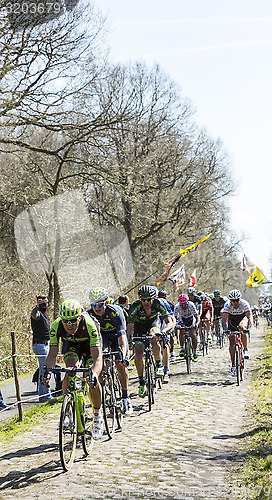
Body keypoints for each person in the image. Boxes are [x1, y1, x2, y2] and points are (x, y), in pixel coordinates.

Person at [43, 299, 104, 439]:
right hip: (71, 345)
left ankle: (97, 415)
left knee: (91, 378)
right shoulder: (56, 326)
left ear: (80, 317)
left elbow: (98, 358)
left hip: (90, 347)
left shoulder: (89, 324)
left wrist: (94, 373)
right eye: (65, 321)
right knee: (70, 369)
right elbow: (52, 354)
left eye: (72, 320)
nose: (69, 325)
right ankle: (68, 409)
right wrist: (46, 371)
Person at [87, 288, 133, 416]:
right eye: (94, 304)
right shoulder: (89, 314)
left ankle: (125, 397)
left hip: (116, 336)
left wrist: (124, 356)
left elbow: (122, 338)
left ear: (106, 303)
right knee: (100, 364)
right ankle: (103, 390)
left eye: (100, 304)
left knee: (120, 363)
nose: (97, 308)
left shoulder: (115, 312)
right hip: (102, 338)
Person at [127, 285, 173, 397]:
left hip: (154, 323)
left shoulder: (159, 303)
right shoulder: (135, 306)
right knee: (138, 352)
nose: (146, 302)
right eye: (143, 300)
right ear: (140, 299)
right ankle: (141, 382)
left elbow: (169, 322)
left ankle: (158, 365)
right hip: (139, 326)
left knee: (154, 336)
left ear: (153, 298)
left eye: (149, 299)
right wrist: (129, 339)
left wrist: (164, 331)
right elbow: (130, 326)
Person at [221, 289, 253, 376]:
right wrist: (225, 329)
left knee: (242, 328)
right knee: (231, 341)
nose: (235, 302)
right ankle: (233, 366)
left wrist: (248, 328)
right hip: (232, 320)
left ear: (240, 299)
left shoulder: (244, 303)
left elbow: (250, 317)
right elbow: (224, 319)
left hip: (242, 318)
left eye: (237, 300)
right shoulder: (227, 305)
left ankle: (245, 349)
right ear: (230, 300)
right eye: (233, 301)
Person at [31, 294, 53, 403]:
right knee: (45, 370)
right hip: (40, 345)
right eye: (42, 302)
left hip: (44, 344)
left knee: (42, 370)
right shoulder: (38, 313)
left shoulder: (44, 314)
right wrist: (37, 306)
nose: (45, 304)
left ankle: (42, 396)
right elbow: (34, 315)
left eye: (46, 302)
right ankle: (46, 395)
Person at [174, 293, 199, 361]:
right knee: (181, 331)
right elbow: (174, 318)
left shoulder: (191, 305)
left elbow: (197, 317)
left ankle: (194, 352)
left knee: (193, 334)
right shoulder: (177, 306)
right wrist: (176, 325)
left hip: (191, 318)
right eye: (181, 305)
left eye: (185, 304)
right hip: (182, 319)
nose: (183, 306)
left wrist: (196, 324)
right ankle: (182, 348)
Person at [158, 289, 176, 362]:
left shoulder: (170, 304)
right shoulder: (156, 303)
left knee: (169, 334)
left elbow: (172, 316)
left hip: (167, 319)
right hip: (159, 320)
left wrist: (171, 327)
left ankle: (171, 350)